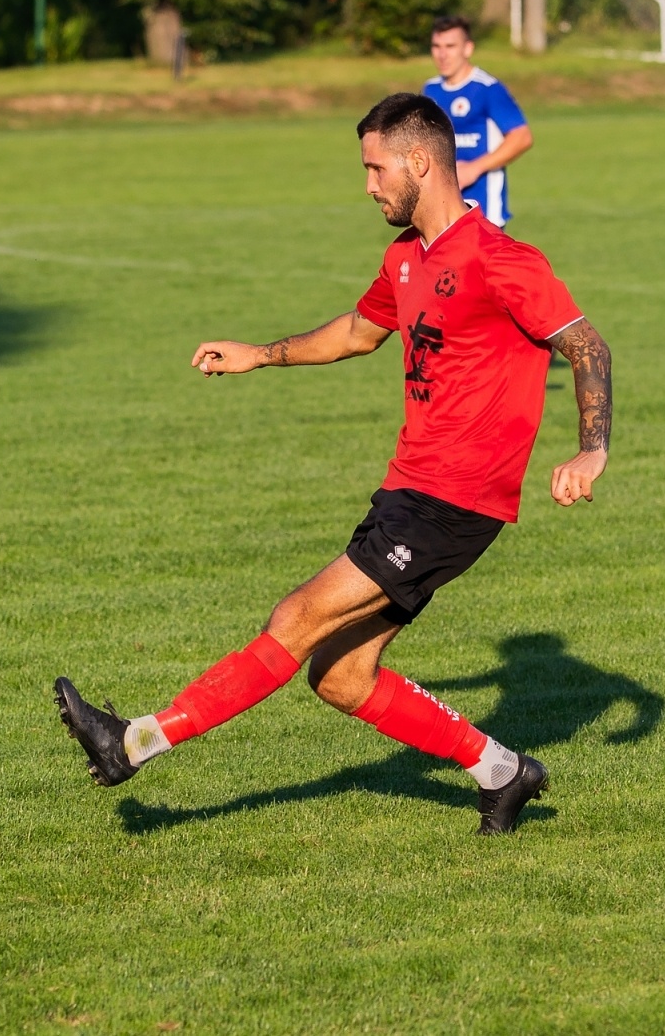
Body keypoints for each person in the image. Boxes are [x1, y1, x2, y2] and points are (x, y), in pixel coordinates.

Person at [55, 93, 613, 836]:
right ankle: (504, 772)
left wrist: (591, 447)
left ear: (420, 162)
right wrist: (261, 353)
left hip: (456, 500)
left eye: (376, 168)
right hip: (409, 489)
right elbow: (356, 332)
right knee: (342, 677)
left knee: (295, 618)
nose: (369, 185)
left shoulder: (501, 258)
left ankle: (133, 742)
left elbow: (587, 346)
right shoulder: (405, 260)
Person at [422, 16, 531, 229]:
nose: (442, 54)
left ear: (468, 49)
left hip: (484, 213)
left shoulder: (488, 89)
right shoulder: (430, 90)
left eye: (450, 46)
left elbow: (522, 137)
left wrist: (473, 168)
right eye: (436, 46)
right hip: (442, 212)